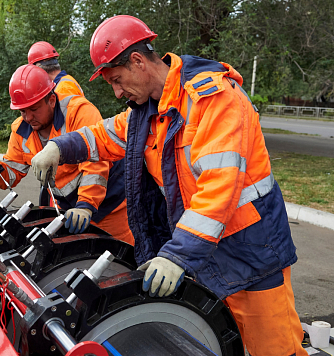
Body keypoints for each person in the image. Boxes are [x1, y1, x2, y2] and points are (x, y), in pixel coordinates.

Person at [30, 15, 308, 356]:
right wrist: (59, 147)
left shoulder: (212, 98)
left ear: (137, 61)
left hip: (251, 255)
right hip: (205, 255)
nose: (117, 92)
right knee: (218, 343)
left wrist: (176, 256)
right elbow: (103, 135)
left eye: (117, 80)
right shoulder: (146, 111)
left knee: (275, 349)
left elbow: (219, 186)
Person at [0, 64, 133, 245]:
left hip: (110, 205)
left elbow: (95, 165)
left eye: (34, 109)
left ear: (51, 100)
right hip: (67, 209)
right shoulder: (21, 130)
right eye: (22, 111)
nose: (28, 117)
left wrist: (86, 205)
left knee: (121, 258)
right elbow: (10, 176)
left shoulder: (79, 112)